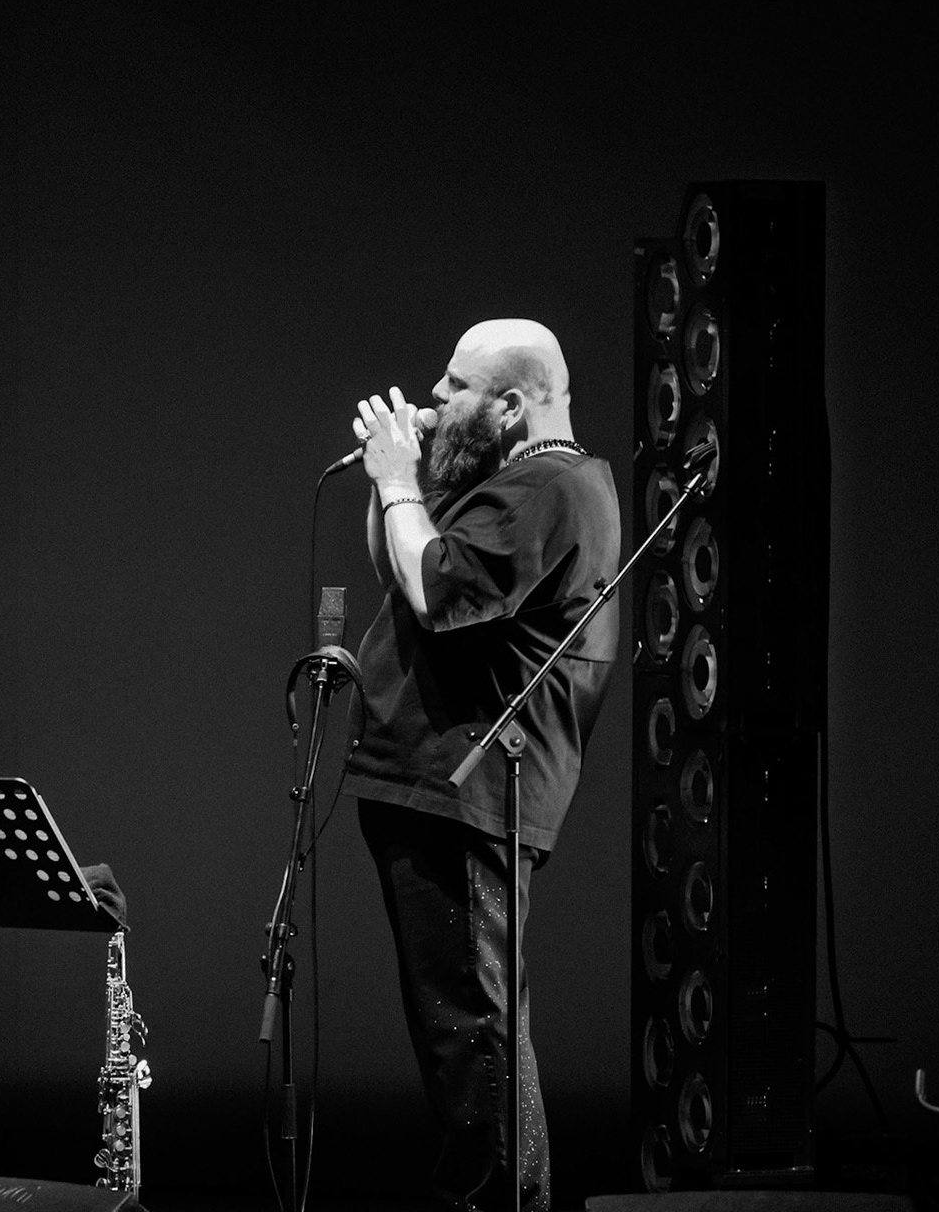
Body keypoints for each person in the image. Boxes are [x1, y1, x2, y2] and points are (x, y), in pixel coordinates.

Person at [345, 319, 619, 1212]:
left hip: (469, 796)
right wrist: (399, 486)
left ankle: (503, 1204)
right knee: (465, 1033)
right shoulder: (514, 485)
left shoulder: (549, 485)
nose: (434, 398)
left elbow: (440, 591)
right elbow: (407, 569)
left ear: (510, 402)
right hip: (436, 794)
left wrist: (397, 480)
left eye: (455, 386)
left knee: (475, 1035)